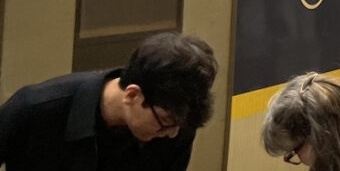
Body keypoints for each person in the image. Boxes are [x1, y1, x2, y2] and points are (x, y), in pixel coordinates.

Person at [0, 32, 218, 171]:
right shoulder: (33, 109)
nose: (172, 134)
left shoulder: (176, 127)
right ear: (132, 95)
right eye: (165, 122)